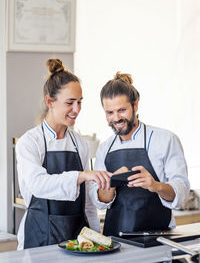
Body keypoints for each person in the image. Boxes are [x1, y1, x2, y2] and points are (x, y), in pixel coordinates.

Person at [16, 59, 110, 249]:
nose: (77, 109)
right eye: (70, 103)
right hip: (39, 239)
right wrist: (81, 176)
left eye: (80, 102)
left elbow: (87, 203)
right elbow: (38, 185)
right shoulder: (30, 142)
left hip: (77, 240)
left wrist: (96, 237)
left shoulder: (80, 144)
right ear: (50, 102)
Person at [89, 72, 190, 236]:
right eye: (109, 112)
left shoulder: (165, 139)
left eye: (122, 110)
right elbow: (100, 201)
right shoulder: (104, 148)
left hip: (157, 238)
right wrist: (112, 182)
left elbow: (182, 191)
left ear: (135, 105)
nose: (116, 118)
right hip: (115, 239)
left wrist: (154, 185)